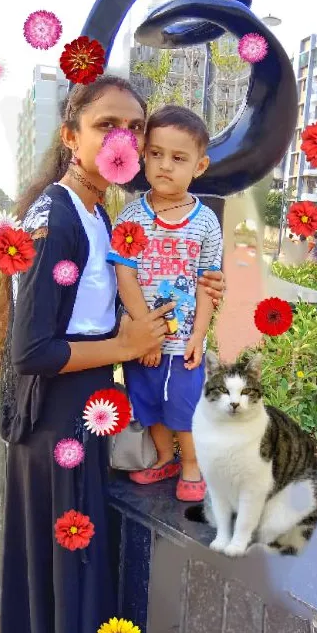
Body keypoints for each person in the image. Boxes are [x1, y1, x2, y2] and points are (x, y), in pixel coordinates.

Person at [0, 76, 224, 633]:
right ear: (71, 137)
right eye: (106, 124)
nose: (123, 139)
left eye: (134, 127)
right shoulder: (57, 216)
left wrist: (184, 300)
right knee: (66, 554)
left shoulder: (89, 213)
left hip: (65, 415)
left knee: (35, 553)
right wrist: (124, 345)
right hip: (61, 417)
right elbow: (32, 349)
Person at [108, 105, 223, 503]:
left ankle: (190, 464)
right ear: (142, 156)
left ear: (200, 165)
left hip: (184, 342)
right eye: (155, 154)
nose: (164, 165)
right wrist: (146, 333)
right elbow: (125, 275)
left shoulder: (206, 222)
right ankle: (163, 458)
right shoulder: (131, 217)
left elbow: (208, 283)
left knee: (184, 405)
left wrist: (199, 334)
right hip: (143, 339)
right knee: (148, 402)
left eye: (178, 158)